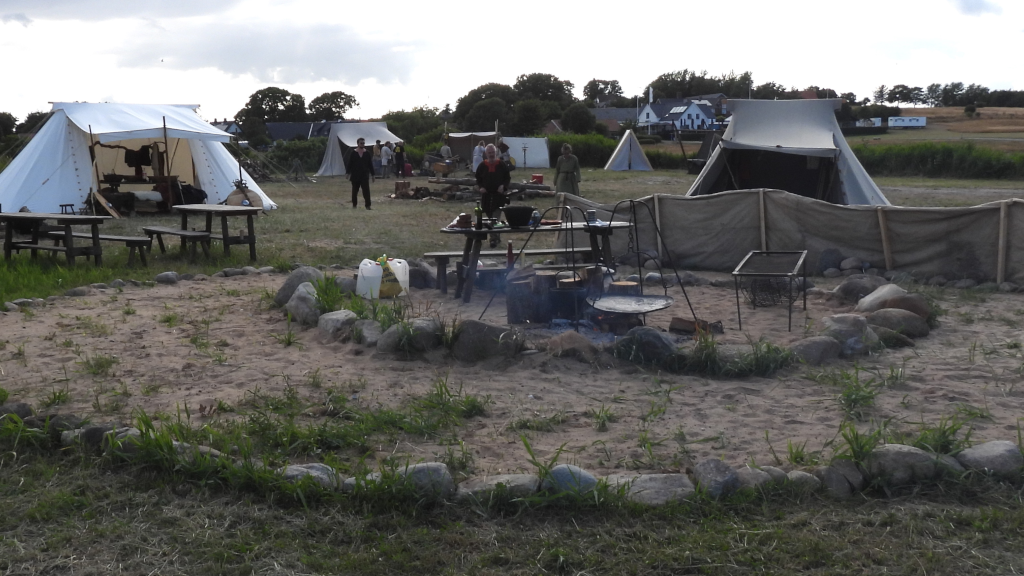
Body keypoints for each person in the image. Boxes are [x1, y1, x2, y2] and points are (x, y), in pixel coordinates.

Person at [475, 143, 511, 247]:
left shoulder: (501, 164)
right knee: (490, 217)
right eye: (489, 152)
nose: (491, 154)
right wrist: (481, 187)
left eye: (492, 152)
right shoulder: (482, 165)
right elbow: (478, 178)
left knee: (495, 218)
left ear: (495, 152)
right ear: (486, 153)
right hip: (486, 196)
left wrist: (503, 186)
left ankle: (493, 239)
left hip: (498, 196)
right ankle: (497, 237)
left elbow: (507, 178)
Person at [345, 137, 374, 209]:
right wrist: (347, 173)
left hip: (364, 175)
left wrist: (373, 174)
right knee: (355, 191)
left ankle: (368, 205)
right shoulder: (353, 153)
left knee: (366, 191)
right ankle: (354, 205)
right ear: (358, 143)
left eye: (363, 143)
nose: (363, 144)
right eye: (361, 143)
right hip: (355, 175)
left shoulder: (367, 153)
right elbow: (350, 164)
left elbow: (370, 164)